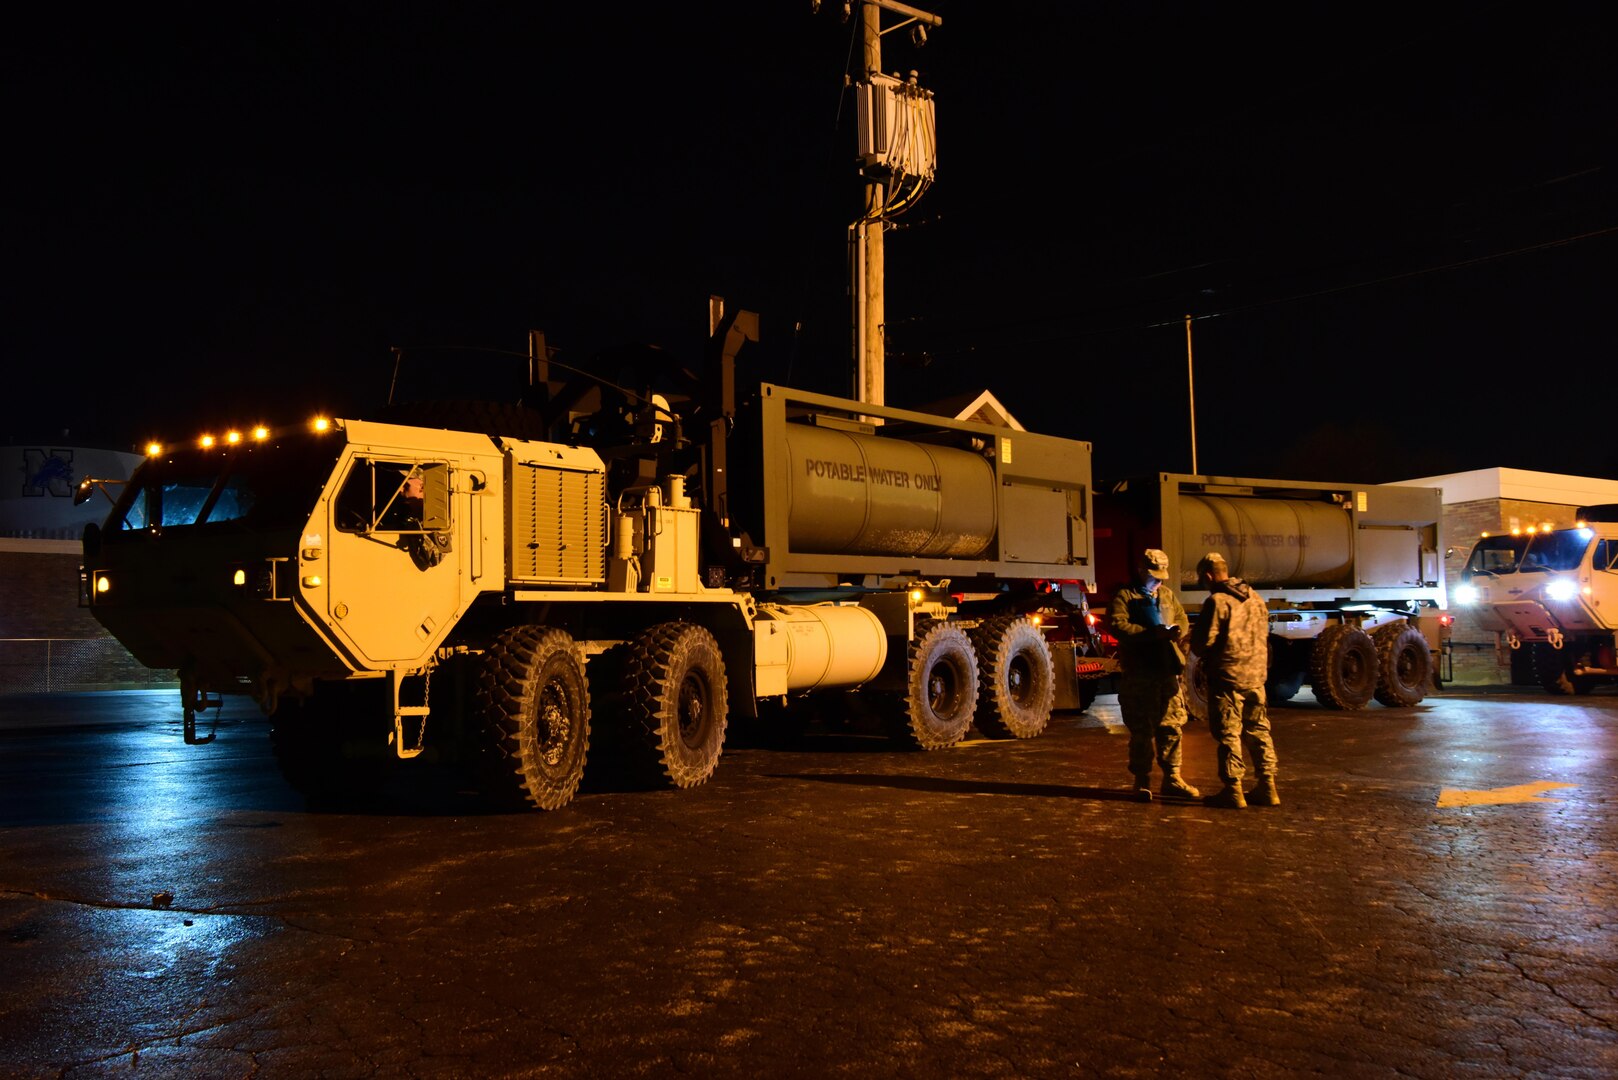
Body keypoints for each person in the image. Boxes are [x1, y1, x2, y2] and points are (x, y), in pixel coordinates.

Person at [1187, 551, 1280, 809]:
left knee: (1229, 734)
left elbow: (1202, 644)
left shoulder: (1217, 602)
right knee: (1259, 731)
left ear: (1208, 576)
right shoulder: (1255, 597)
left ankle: (1233, 790)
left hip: (1228, 680)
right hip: (1256, 678)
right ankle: (1268, 787)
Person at [1107, 548, 1200, 802]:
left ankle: (1172, 778)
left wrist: (1176, 631)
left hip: (1166, 673)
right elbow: (1117, 625)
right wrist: (1150, 634)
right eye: (1154, 576)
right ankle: (1142, 780)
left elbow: (1181, 618)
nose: (1159, 580)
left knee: (1171, 727)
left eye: (1161, 576)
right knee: (1142, 731)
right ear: (1141, 571)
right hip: (1140, 674)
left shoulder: (1167, 595)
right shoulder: (1125, 596)